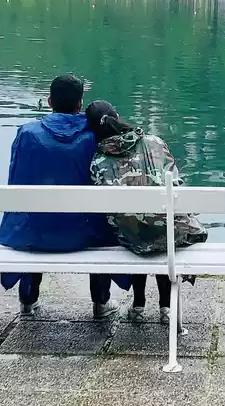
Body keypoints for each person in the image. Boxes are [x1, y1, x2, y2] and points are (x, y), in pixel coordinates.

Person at [0, 74, 123, 319]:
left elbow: (17, 184)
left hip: (38, 231)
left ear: (49, 101)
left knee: (32, 215)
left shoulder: (27, 133)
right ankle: (101, 301)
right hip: (85, 232)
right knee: (100, 219)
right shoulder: (94, 134)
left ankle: (28, 300)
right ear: (79, 104)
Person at [85, 100, 207, 324]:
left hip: (131, 239)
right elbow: (176, 185)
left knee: (134, 225)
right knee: (163, 223)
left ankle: (138, 304)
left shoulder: (98, 161)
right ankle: (166, 307)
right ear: (117, 117)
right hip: (170, 232)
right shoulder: (154, 142)